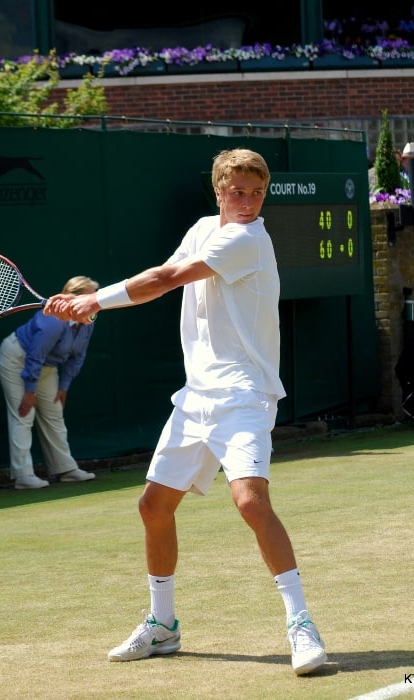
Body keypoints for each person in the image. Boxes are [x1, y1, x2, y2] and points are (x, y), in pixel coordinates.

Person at [44, 148, 327, 675]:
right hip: (196, 396)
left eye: (256, 193)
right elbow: (168, 271)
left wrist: (93, 301)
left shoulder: (248, 239)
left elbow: (166, 280)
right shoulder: (203, 228)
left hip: (244, 393)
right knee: (153, 507)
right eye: (237, 192)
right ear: (218, 191)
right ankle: (163, 624)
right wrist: (90, 302)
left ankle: (301, 623)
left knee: (250, 501)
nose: (247, 202)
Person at [0, 275, 99, 490]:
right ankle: (23, 475)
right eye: (91, 297)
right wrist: (30, 391)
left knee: (54, 414)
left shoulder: (88, 320)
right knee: (24, 414)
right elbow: (35, 354)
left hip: (46, 366)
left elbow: (77, 356)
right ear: (73, 299)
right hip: (17, 359)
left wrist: (64, 387)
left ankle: (65, 469)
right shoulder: (53, 321)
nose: (95, 302)